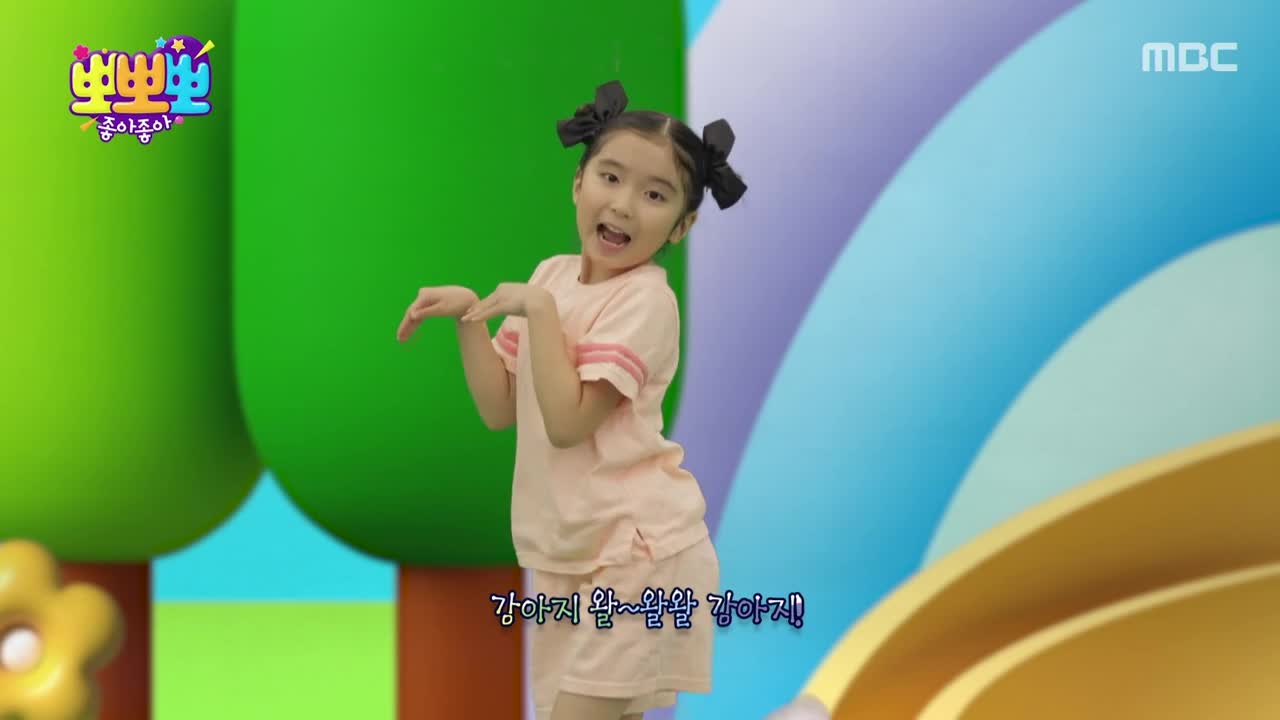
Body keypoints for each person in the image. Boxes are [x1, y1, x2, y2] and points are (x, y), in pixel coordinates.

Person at [396, 79, 746, 720]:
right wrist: (470, 317)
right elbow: (500, 408)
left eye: (655, 195)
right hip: (568, 555)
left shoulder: (645, 302)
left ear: (682, 225)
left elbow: (567, 422)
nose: (624, 205)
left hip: (637, 557)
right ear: (578, 182)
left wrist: (538, 311)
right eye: (610, 178)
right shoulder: (551, 277)